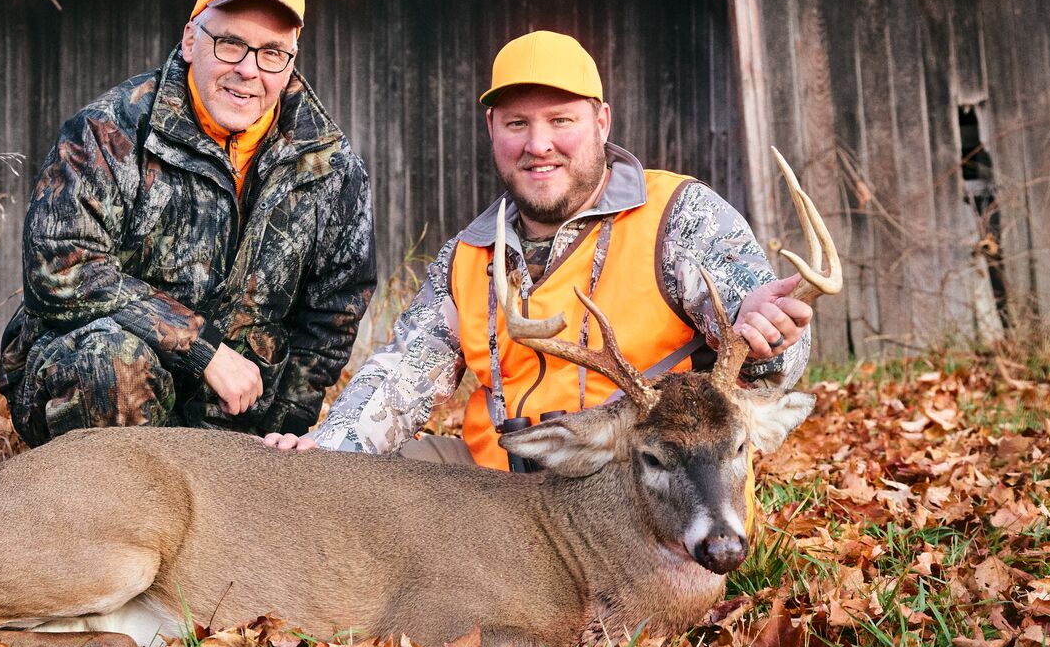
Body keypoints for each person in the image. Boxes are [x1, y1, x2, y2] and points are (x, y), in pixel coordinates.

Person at [265, 30, 811, 469]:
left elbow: (767, 357)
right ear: (492, 128)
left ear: (601, 122)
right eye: (518, 123)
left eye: (561, 120)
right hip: (504, 491)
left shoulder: (678, 216)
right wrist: (327, 454)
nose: (538, 144)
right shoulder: (468, 257)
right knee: (372, 488)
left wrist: (767, 336)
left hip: (638, 483)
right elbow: (403, 375)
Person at [0, 0, 375, 445]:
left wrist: (286, 431)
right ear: (192, 41)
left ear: (290, 63)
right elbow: (60, 269)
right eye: (231, 44)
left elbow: (332, 317)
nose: (248, 70)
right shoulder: (109, 131)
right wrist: (203, 350)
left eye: (271, 53)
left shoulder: (332, 167)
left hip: (236, 419)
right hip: (106, 393)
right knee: (111, 363)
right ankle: (108, 516)